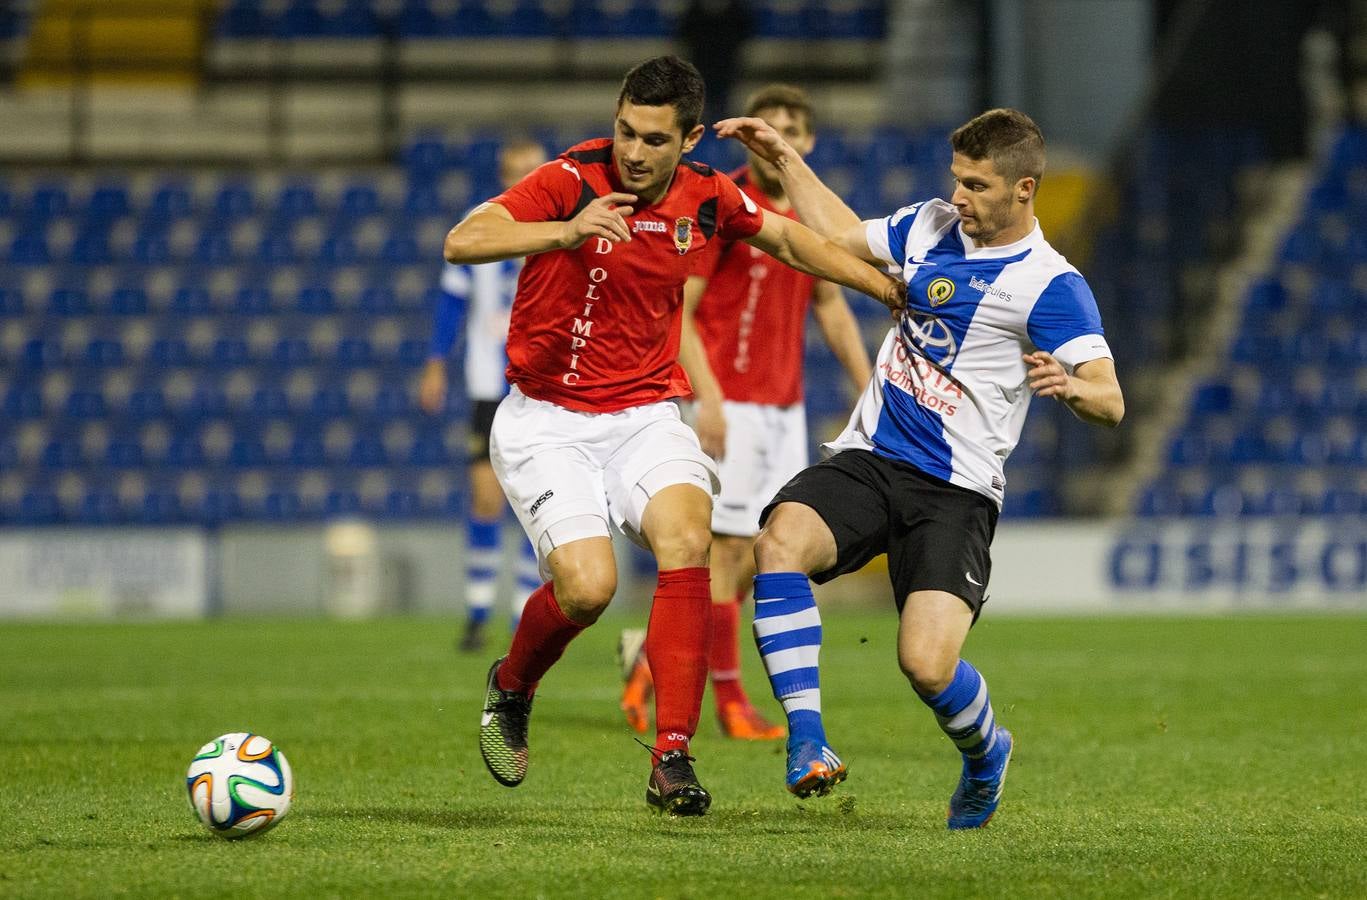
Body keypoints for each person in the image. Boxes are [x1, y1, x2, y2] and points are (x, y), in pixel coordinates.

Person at [443, 55, 904, 817]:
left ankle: (671, 756)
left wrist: (886, 288)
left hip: (645, 414)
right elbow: (464, 239)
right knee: (590, 589)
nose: (632, 150)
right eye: (625, 130)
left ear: (688, 139)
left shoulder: (708, 197)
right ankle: (513, 684)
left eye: (653, 139)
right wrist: (565, 230)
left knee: (688, 541)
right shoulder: (572, 178)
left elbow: (791, 244)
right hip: (546, 419)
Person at [714, 108, 1124, 828]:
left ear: (1023, 189)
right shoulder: (931, 225)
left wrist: (1070, 388)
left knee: (926, 666)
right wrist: (784, 159)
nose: (958, 196)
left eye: (975, 184)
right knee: (778, 543)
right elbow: (839, 232)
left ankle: (984, 753)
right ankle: (807, 740)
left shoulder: (1051, 286)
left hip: (954, 493)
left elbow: (1110, 399)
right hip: (872, 457)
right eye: (955, 179)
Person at [618, 84, 873, 743]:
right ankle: (729, 701)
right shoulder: (721, 205)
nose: (775, 136)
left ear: (803, 142)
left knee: (760, 553)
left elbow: (830, 307)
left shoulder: (812, 219)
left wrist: (870, 385)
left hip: (783, 408)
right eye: (767, 124)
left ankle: (648, 665)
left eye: (789, 127)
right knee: (725, 553)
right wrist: (706, 398)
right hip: (726, 401)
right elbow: (683, 307)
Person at [421, 140, 548, 652]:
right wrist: (435, 363)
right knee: (486, 498)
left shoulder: (561, 230)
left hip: (542, 386)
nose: (524, 178)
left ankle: (522, 618)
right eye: (516, 170)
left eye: (532, 170)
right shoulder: (478, 227)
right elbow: (452, 302)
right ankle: (477, 614)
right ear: (503, 174)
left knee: (534, 505)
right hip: (486, 383)